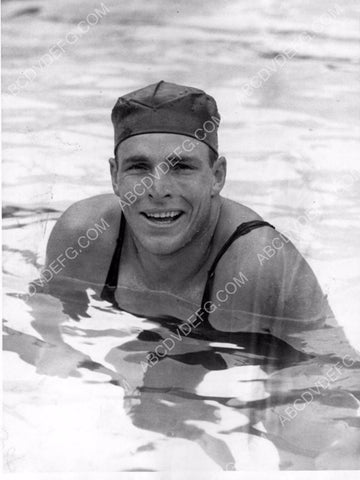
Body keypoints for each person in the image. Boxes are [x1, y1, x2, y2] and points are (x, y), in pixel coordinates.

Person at [42, 80, 333, 335]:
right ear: (114, 177)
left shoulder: (264, 267)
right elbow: (43, 327)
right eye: (139, 167)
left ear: (217, 176)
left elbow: (334, 382)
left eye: (181, 167)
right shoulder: (82, 237)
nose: (157, 190)